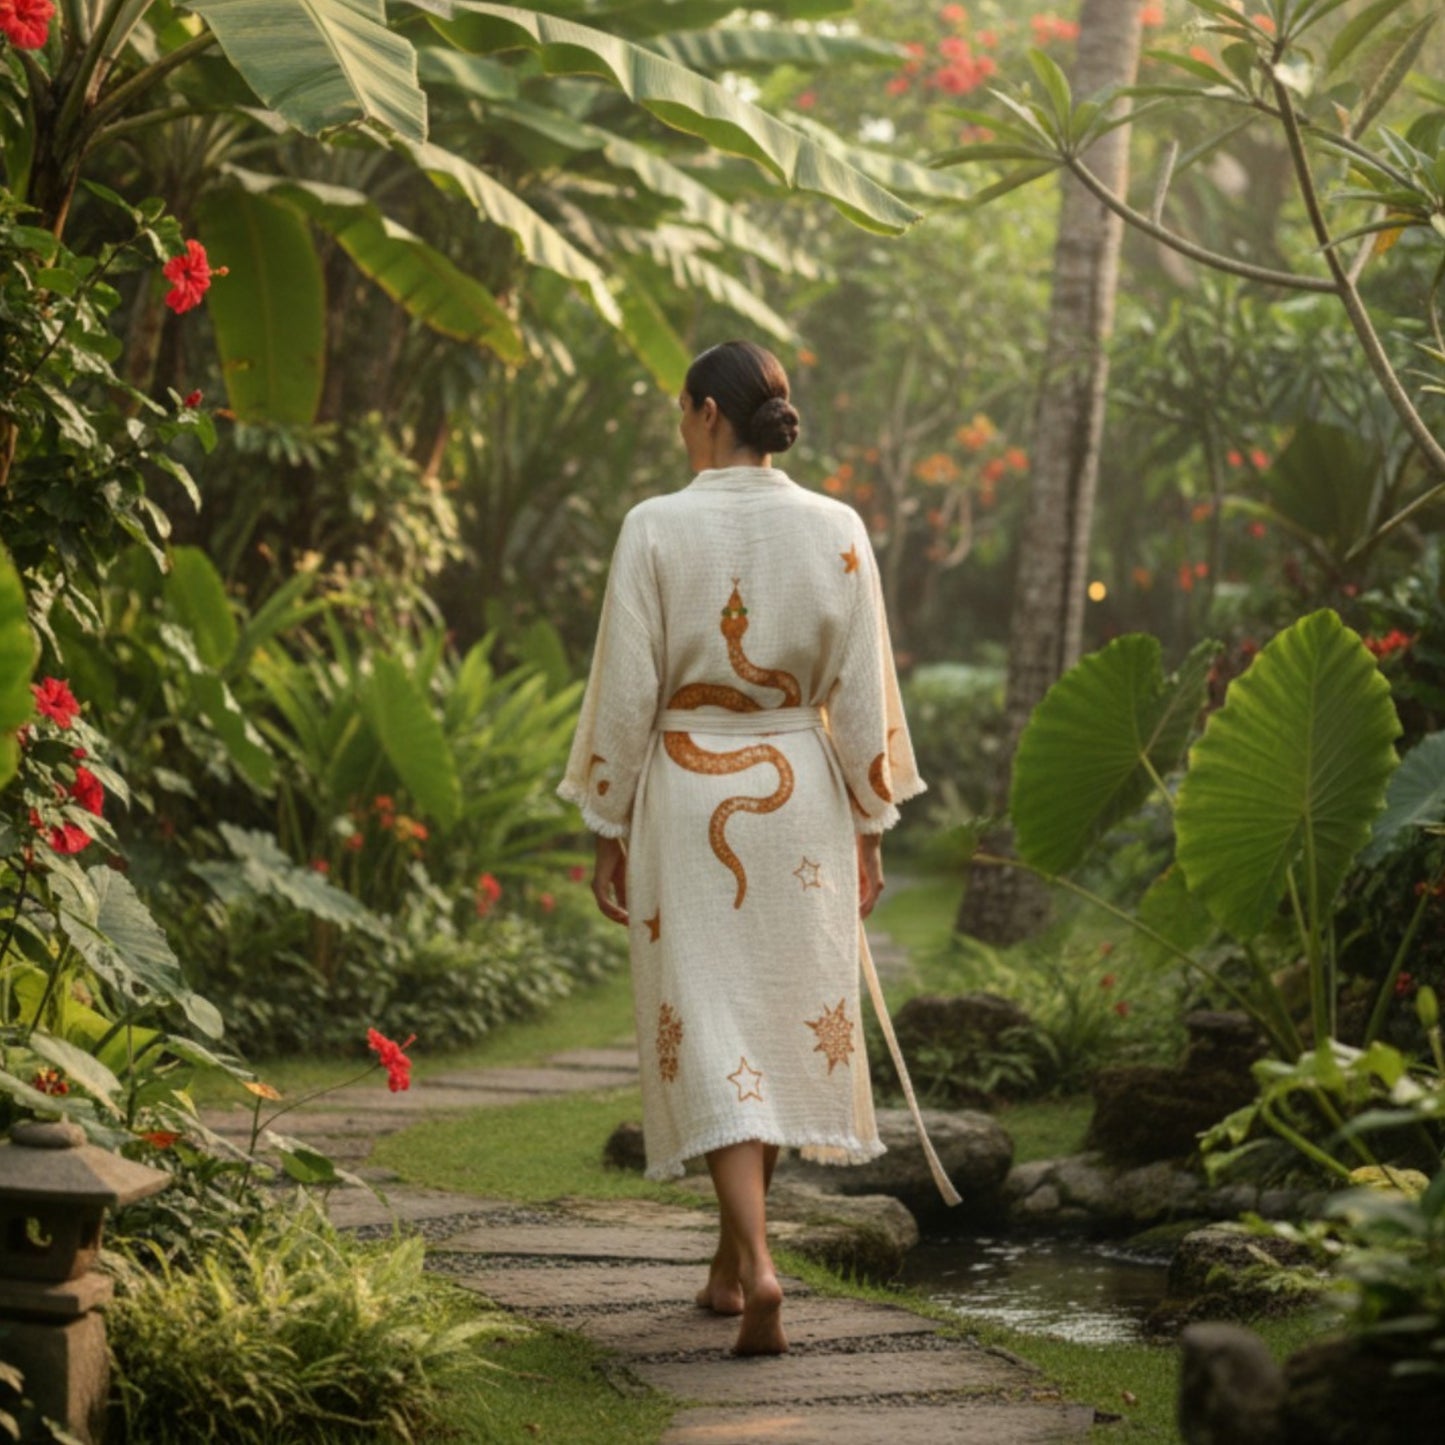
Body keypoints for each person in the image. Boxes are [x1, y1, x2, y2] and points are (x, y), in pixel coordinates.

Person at [557, 340, 947, 1357]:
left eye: (679, 410)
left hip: (690, 793)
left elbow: (628, 688)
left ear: (701, 412)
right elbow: (862, 692)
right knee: (773, 1019)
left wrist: (606, 822)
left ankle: (757, 1264)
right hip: (801, 789)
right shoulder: (837, 526)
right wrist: (867, 825)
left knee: (718, 1024)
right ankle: (732, 1269)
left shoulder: (654, 525)